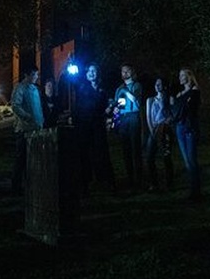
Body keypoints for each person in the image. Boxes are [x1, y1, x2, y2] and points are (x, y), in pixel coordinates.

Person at [73, 63, 116, 195]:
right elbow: (80, 107)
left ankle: (106, 181)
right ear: (86, 75)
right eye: (89, 71)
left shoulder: (103, 90)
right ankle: (85, 183)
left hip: (98, 126)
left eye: (94, 71)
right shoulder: (82, 89)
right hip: (85, 126)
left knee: (102, 153)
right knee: (85, 155)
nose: (91, 73)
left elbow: (108, 106)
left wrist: (109, 109)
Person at [10, 65, 44, 196]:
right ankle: (16, 187)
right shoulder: (20, 88)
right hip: (24, 129)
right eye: (34, 74)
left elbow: (38, 108)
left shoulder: (35, 89)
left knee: (33, 159)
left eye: (37, 74)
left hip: (36, 128)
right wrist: (27, 117)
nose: (36, 77)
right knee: (21, 159)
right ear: (27, 75)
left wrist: (41, 120)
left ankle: (31, 184)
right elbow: (16, 106)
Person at [172, 67, 202, 201]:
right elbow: (176, 110)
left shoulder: (194, 92)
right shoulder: (180, 94)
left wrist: (181, 103)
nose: (180, 77)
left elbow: (190, 108)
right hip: (180, 126)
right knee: (186, 160)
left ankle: (196, 191)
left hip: (190, 126)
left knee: (191, 159)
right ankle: (193, 189)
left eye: (182, 75)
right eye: (179, 75)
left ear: (189, 76)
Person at [113, 63, 143, 192]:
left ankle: (139, 179)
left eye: (127, 71)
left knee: (135, 148)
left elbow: (136, 100)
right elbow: (118, 105)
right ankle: (130, 178)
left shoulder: (136, 86)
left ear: (132, 72)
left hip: (133, 116)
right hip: (123, 118)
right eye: (122, 71)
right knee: (126, 149)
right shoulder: (119, 89)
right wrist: (115, 110)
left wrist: (126, 91)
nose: (124, 73)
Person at [145, 77, 174, 193]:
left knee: (166, 156)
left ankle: (169, 182)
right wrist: (152, 130)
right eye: (156, 84)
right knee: (149, 157)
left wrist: (167, 122)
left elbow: (172, 114)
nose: (157, 86)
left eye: (160, 84)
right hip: (154, 129)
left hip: (165, 129)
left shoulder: (168, 99)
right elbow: (148, 116)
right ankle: (153, 183)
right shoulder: (150, 100)